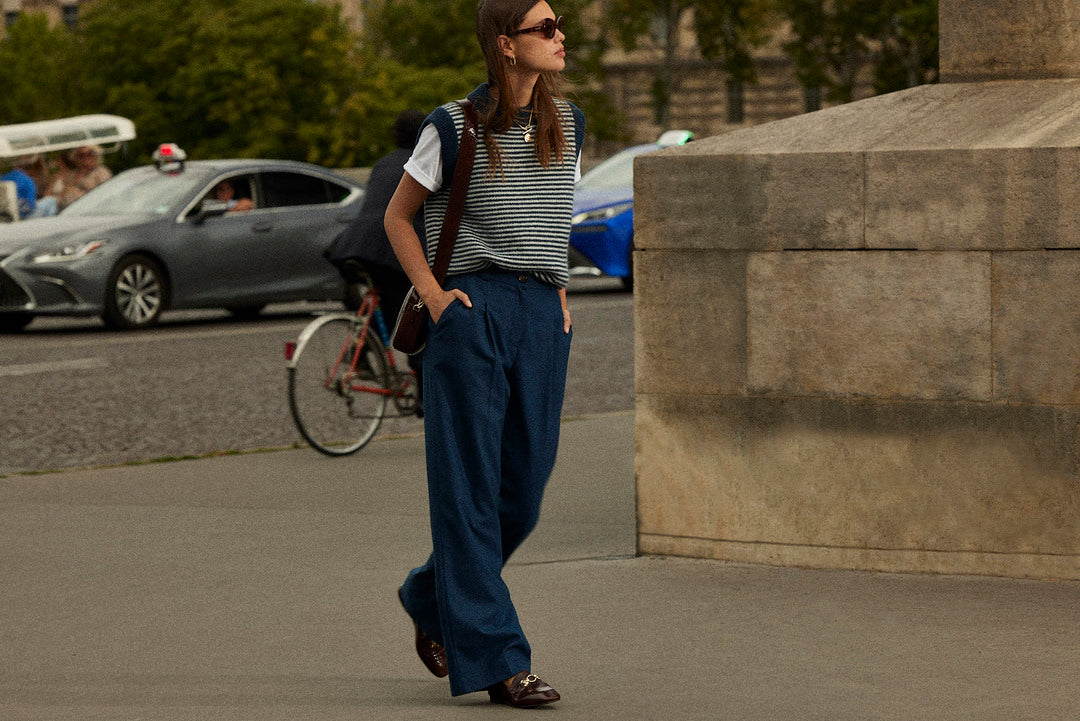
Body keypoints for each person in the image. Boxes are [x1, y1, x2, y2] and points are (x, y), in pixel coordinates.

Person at [384, 0, 583, 708]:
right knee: (467, 487)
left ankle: (428, 594)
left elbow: (553, 212)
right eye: (547, 28)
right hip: (469, 310)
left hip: (539, 313)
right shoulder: (453, 125)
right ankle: (501, 657)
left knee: (522, 490)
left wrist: (557, 288)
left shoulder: (571, 125)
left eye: (559, 26)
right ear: (506, 45)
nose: (562, 38)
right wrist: (436, 298)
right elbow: (397, 216)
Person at [325, 108, 427, 410]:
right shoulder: (421, 162)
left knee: (375, 303)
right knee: (416, 318)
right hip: (389, 250)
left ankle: (361, 348)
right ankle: (424, 397)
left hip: (353, 247)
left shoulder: (383, 162)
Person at [51, 146, 112, 211]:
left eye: (89, 154)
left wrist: (81, 194)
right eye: (81, 155)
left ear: (95, 155)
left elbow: (107, 195)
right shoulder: (74, 173)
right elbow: (65, 191)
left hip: (90, 209)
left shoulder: (101, 172)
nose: (85, 157)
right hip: (66, 209)